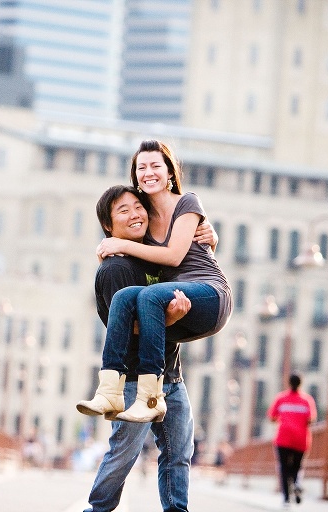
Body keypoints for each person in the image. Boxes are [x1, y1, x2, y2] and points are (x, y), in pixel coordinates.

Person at [82, 184, 216, 512]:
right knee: (123, 454)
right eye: (123, 211)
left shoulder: (158, 255)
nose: (135, 214)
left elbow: (196, 266)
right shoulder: (116, 268)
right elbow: (130, 329)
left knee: (178, 455)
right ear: (108, 228)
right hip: (131, 381)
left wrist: (212, 239)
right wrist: (170, 318)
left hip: (170, 375)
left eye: (137, 207)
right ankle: (96, 510)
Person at [80, 139, 232, 423]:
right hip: (176, 296)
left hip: (211, 293)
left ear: (170, 173)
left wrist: (118, 244)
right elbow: (135, 245)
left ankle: (151, 398)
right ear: (135, 176)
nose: (148, 172)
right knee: (125, 297)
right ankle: (110, 390)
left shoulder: (188, 202)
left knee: (148, 296)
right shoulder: (143, 217)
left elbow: (175, 256)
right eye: (141, 167)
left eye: (155, 166)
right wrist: (115, 247)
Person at [268, 374, 317, 509]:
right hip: (301, 439)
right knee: (297, 466)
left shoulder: (281, 398)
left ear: (288, 383)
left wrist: (283, 419)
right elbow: (311, 419)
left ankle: (286, 499)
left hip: (283, 438)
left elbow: (272, 417)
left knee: (284, 468)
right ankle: (296, 483)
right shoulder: (307, 400)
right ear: (301, 384)